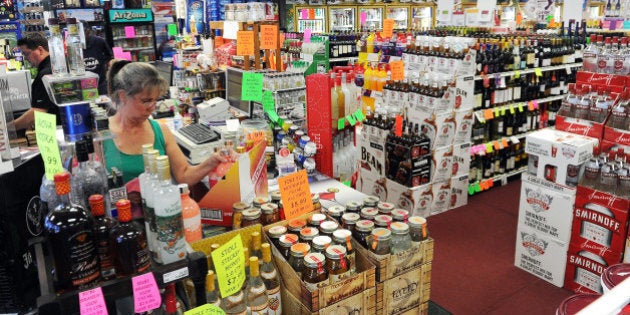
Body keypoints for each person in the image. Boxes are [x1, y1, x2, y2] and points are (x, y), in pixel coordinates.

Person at [103, 60, 226, 187]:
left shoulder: (160, 130)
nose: (152, 107)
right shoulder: (101, 136)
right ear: (123, 96)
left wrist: (212, 161)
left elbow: (184, 175)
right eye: (146, 101)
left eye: (156, 100)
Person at [12, 33, 56, 130]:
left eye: (27, 53)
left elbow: (38, 112)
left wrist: (9, 127)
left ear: (40, 50)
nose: (26, 58)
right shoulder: (54, 65)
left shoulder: (46, 73)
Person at [81, 21, 113, 95]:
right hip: (84, 84)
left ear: (88, 31)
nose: (81, 36)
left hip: (101, 82)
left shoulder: (99, 41)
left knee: (103, 104)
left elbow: (109, 56)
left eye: (83, 32)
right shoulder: (73, 44)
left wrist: (104, 64)